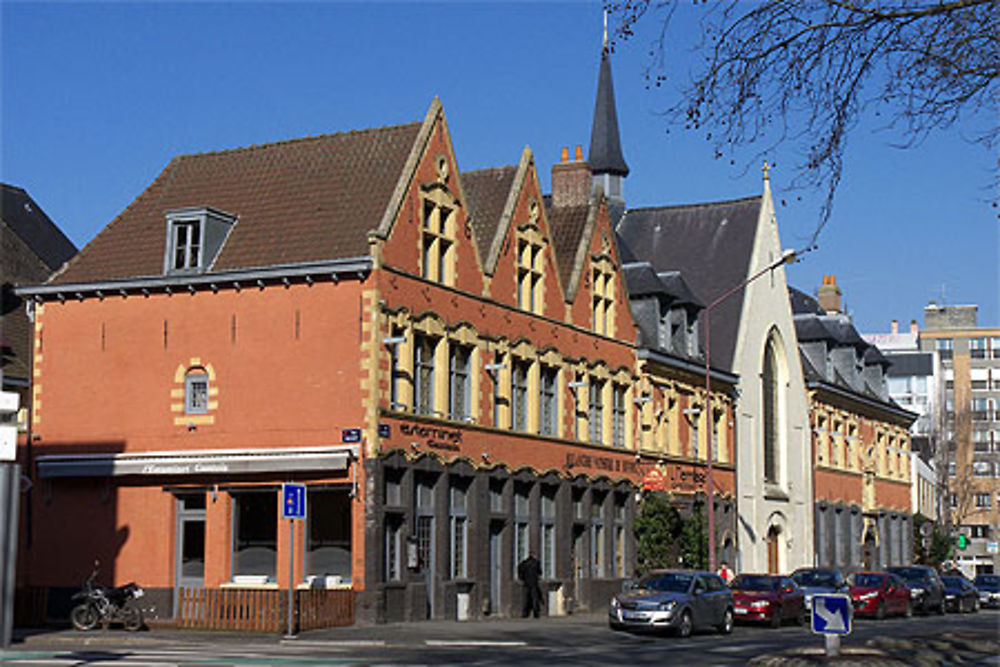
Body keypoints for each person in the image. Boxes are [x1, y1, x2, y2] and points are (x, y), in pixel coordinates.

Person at [517, 551, 543, 618]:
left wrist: (522, 578)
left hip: (526, 583)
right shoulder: (536, 563)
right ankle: (535, 613)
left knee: (526, 598)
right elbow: (540, 572)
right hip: (534, 583)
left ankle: (525, 613)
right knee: (535, 598)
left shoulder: (524, 563)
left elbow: (519, 569)